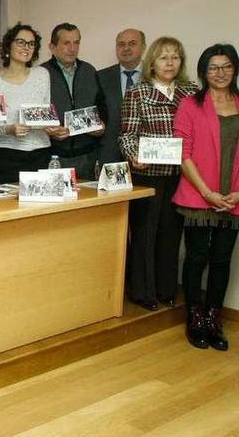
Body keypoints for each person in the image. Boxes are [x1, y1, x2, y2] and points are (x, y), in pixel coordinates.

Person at [118, 36, 199, 312]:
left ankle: (166, 290)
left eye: (175, 57)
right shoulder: (137, 92)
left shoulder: (191, 91)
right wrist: (134, 155)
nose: (169, 62)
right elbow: (127, 135)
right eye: (164, 57)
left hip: (182, 174)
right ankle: (143, 292)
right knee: (145, 233)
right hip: (147, 174)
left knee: (170, 233)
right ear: (152, 62)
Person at [172, 44, 239, 351]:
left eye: (226, 66)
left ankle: (214, 318)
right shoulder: (190, 104)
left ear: (234, 69)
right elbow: (182, 153)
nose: (220, 72)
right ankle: (195, 317)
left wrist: (235, 194)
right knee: (197, 257)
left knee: (222, 260)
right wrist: (208, 192)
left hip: (234, 197)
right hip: (198, 194)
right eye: (213, 67)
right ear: (203, 72)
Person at [0, 23, 60, 184]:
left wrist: (52, 127)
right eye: (21, 42)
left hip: (40, 153)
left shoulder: (42, 75)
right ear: (8, 45)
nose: (26, 47)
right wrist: (10, 129)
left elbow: (45, 113)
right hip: (4, 157)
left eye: (31, 43)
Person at [41, 23, 107, 179]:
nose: (72, 48)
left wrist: (102, 125)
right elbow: (35, 114)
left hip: (87, 157)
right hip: (53, 157)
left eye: (76, 42)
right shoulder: (41, 74)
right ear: (52, 47)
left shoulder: (89, 71)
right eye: (66, 43)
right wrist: (48, 130)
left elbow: (102, 107)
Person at [98, 29, 146, 164]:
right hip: (109, 155)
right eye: (121, 44)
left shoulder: (155, 75)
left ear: (143, 47)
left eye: (132, 43)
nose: (126, 48)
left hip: (145, 155)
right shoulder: (101, 77)